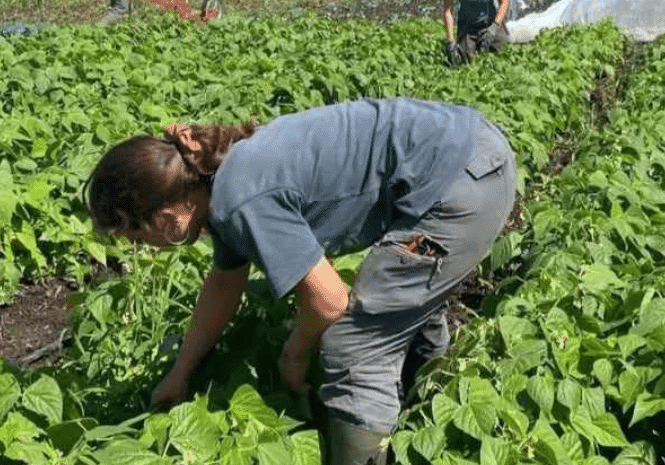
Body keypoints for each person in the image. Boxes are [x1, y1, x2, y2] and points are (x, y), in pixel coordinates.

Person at [86, 97, 517, 465]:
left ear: (164, 217)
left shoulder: (239, 200)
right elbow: (223, 285)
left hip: (458, 185)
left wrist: (295, 355)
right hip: (468, 150)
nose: (140, 248)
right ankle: (429, 415)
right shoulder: (222, 183)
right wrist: (180, 373)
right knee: (402, 301)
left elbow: (330, 302)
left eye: (136, 236)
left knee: (354, 346)